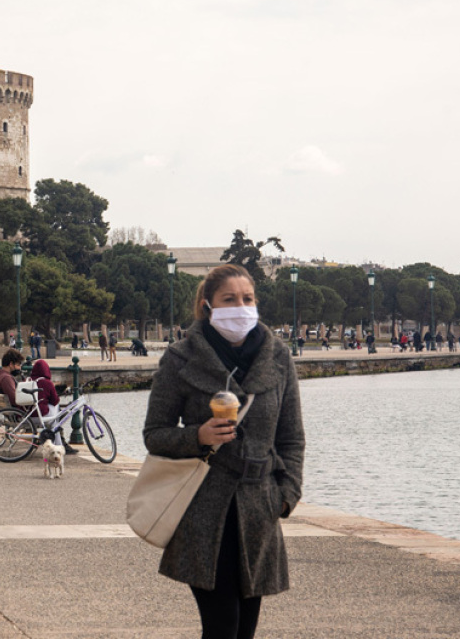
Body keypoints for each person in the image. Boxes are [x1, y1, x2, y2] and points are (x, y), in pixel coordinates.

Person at [142, 263, 305, 639]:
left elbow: (292, 437)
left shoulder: (278, 359)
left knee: (244, 629)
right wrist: (197, 435)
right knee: (222, 627)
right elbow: (155, 434)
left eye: (247, 298)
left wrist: (286, 495)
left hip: (259, 510)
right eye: (229, 299)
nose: (240, 306)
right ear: (208, 306)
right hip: (203, 510)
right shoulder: (181, 359)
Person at [30, 359, 77, 455]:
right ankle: (60, 445)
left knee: (54, 421)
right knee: (55, 413)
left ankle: (59, 445)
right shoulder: (47, 383)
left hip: (28, 416)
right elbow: (55, 400)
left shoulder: (28, 380)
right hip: (41, 417)